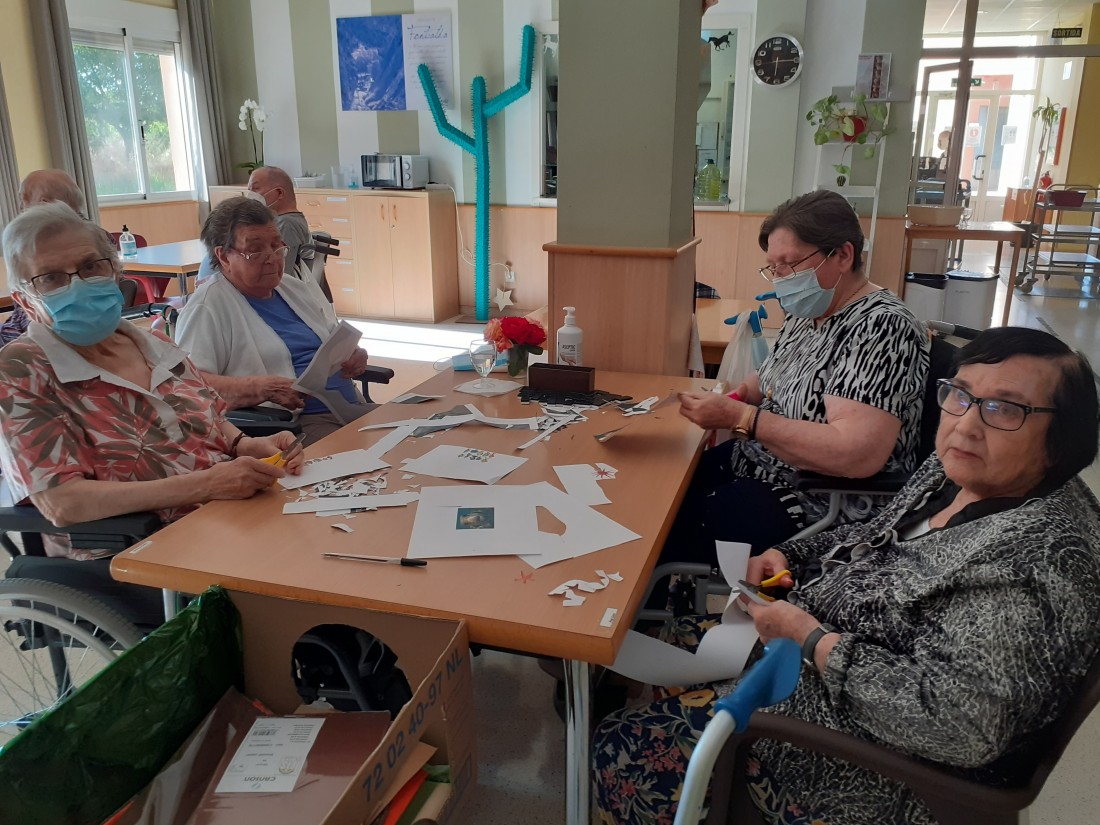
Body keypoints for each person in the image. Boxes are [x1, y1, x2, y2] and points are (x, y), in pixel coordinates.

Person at [595, 326, 1100, 825]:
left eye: (1005, 409)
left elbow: (961, 728)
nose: (966, 425)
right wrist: (790, 552)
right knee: (675, 640)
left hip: (859, 768)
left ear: (1062, 440)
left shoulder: (1032, 564)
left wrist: (813, 640)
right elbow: (877, 531)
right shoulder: (962, 471)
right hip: (818, 657)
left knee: (619, 750)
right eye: (961, 395)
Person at [0, 202, 305, 625]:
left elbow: (209, 419)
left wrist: (247, 444)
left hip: (231, 514)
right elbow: (62, 502)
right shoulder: (21, 370)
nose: (78, 284)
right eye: (51, 277)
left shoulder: (151, 342)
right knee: (309, 591)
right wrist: (206, 484)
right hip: (142, 550)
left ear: (115, 271)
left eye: (90, 266)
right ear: (25, 300)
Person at [658, 191, 929, 602]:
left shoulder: (882, 327)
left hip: (819, 500)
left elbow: (856, 453)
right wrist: (733, 396)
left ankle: (642, 621)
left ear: (843, 255)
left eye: (790, 264)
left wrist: (742, 418)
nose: (781, 278)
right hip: (761, 463)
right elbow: (768, 378)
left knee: (664, 525)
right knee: (662, 482)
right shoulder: (811, 312)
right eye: (774, 267)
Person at [175, 196, 373, 445]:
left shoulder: (293, 288)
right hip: (295, 426)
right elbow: (189, 386)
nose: (272, 257)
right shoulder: (207, 307)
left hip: (347, 408)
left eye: (276, 246)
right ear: (224, 257)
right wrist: (262, 388)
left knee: (417, 424)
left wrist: (354, 354)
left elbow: (331, 339)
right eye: (256, 249)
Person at [1, 169, 92, 345]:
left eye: (23, 199)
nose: (20, 208)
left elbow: (32, 319)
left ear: (44, 204)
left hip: (42, 334)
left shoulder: (39, 248)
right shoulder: (93, 237)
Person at [195, 166, 316, 287]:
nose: (250, 195)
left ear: (279, 193)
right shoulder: (280, 223)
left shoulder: (287, 225)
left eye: (255, 188)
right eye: (249, 190)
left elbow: (279, 278)